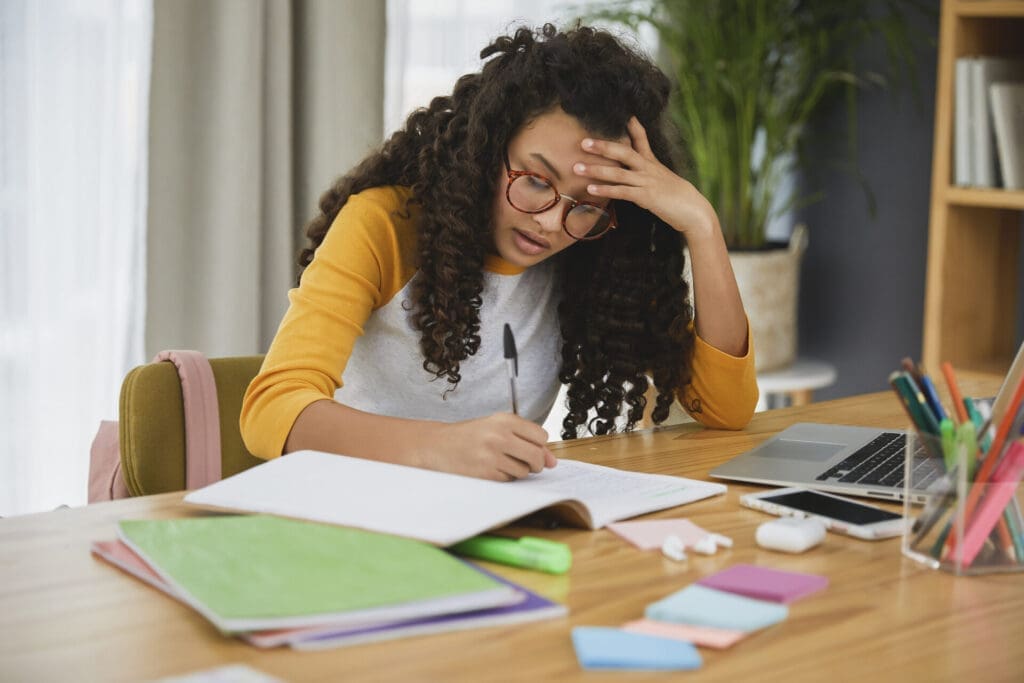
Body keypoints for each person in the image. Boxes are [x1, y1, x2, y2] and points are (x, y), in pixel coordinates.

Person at [241, 24, 758, 482]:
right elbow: (272, 409)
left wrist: (701, 225)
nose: (552, 223)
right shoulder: (384, 225)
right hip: (347, 508)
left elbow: (726, 409)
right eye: (535, 180)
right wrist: (443, 447)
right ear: (487, 150)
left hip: (490, 524)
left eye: (585, 207)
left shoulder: (591, 259)